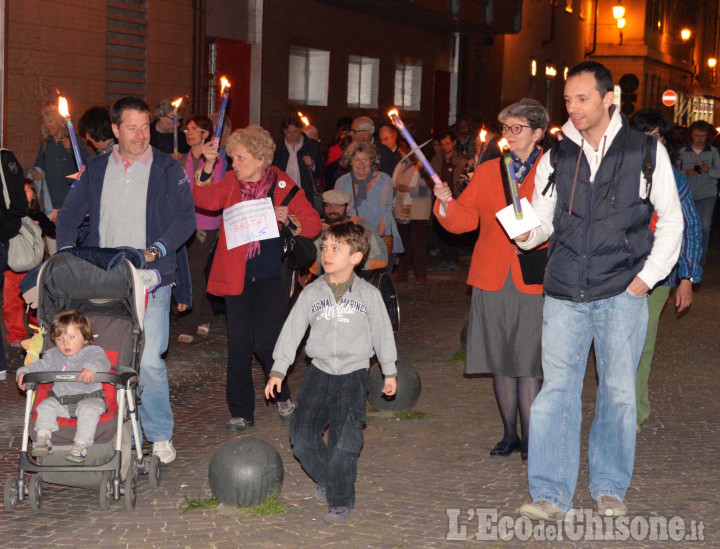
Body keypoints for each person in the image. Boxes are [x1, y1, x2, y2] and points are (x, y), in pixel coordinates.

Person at [516, 61, 683, 520]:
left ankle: (610, 485)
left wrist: (645, 280)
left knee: (618, 393)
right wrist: (524, 230)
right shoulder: (558, 155)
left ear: (610, 99)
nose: (573, 108)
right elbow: (542, 222)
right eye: (567, 100)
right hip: (565, 291)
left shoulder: (645, 152)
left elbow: (672, 220)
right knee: (557, 393)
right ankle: (551, 494)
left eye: (582, 98)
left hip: (620, 291)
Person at [57, 96, 196, 465]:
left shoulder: (168, 168)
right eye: (131, 127)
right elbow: (69, 215)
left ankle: (159, 433)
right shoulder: (96, 168)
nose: (140, 135)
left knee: (149, 359)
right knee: (108, 357)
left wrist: (155, 250)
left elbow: (186, 220)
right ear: (115, 130)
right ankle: (112, 430)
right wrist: (70, 254)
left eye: (146, 127)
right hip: (105, 278)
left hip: (151, 277)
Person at [434, 99, 548, 463]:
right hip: (492, 275)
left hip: (534, 277)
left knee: (529, 360)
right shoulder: (489, 171)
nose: (510, 136)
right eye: (506, 129)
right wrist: (446, 203)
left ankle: (532, 438)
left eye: (518, 129)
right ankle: (509, 434)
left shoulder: (552, 170)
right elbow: (465, 220)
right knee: (501, 359)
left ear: (538, 134)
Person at [265, 221, 397, 524]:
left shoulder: (368, 295)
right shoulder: (312, 292)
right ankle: (329, 478)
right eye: (324, 247)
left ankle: (340, 500)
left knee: (345, 441)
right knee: (301, 437)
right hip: (318, 373)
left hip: (353, 375)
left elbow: (383, 334)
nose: (327, 253)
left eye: (336, 248)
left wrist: (389, 371)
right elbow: (292, 331)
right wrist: (278, 369)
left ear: (356, 257)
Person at [191, 125, 322, 432]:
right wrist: (207, 166)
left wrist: (288, 217)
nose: (234, 164)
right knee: (238, 344)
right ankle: (241, 412)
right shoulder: (231, 184)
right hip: (237, 275)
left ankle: (282, 395)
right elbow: (204, 200)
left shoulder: (284, 184)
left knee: (267, 342)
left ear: (261, 158)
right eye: (231, 157)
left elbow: (314, 223)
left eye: (240, 158)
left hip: (271, 276)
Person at [629, 109, 703, 429]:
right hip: (616, 272)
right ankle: (618, 405)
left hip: (657, 275)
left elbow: (689, 228)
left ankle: (635, 409)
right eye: (645, 135)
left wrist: (686, 277)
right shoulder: (616, 172)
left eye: (657, 136)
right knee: (615, 345)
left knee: (642, 343)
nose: (650, 142)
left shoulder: (674, 180)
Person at [16, 310, 111, 463]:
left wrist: (91, 368)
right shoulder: (53, 356)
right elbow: (39, 366)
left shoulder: (93, 352)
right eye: (60, 339)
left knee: (89, 411)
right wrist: (24, 372)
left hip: (89, 399)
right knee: (45, 406)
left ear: (85, 338)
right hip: (61, 402)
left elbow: (104, 363)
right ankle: (43, 439)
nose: (65, 343)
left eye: (72, 337)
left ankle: (80, 446)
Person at [177, 114, 224, 343]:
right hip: (185, 221)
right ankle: (205, 315)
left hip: (206, 223)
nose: (189, 133)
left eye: (194, 129)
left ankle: (190, 324)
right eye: (187, 129)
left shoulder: (216, 161)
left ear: (206, 134)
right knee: (193, 272)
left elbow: (214, 193)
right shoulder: (183, 158)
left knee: (194, 271)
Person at [3, 179, 55, 347]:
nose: (25, 193)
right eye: (21, 189)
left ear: (34, 194)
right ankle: (16, 335)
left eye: (29, 190)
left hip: (33, 266)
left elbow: (53, 232)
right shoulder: (8, 214)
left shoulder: (37, 215)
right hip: (12, 265)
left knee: (35, 302)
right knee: (12, 303)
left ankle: (37, 332)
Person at [334, 142, 404, 264]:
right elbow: (338, 215)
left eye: (365, 159)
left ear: (372, 161)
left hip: (381, 238)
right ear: (350, 161)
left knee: (379, 279)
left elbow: (384, 214)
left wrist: (376, 244)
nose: (361, 164)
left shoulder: (384, 180)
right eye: (356, 159)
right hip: (352, 242)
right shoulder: (342, 182)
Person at [0, 148, 29, 380]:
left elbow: (19, 203)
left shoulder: (5, 158)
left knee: (13, 295)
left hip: (2, 239)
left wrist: (6, 231)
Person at [34, 102, 90, 221]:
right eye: (44, 122)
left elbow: (86, 167)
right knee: (53, 238)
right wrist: (37, 173)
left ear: (60, 121)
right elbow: (39, 167)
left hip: (71, 202)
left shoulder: (74, 141)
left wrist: (73, 149)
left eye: (50, 121)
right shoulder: (45, 145)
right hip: (51, 204)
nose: (47, 125)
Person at [311, 189, 388, 274]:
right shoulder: (317, 227)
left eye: (337, 206)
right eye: (328, 205)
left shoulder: (360, 225)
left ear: (347, 208)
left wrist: (349, 264)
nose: (332, 210)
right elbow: (314, 265)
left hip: (358, 275)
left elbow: (382, 258)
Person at [677, 120, 720, 264]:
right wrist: (686, 172)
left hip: (707, 193)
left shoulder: (713, 152)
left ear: (707, 135)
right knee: (686, 226)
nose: (699, 139)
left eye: (702, 135)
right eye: (697, 135)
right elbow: (675, 173)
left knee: (704, 225)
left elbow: (718, 172)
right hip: (687, 194)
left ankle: (700, 257)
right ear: (691, 136)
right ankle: (687, 255)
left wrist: (709, 170)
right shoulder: (683, 152)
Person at [392, 139, 432, 284]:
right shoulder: (401, 165)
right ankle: (402, 273)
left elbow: (430, 188)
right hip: (402, 208)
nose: (401, 153)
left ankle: (420, 274)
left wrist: (408, 189)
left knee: (417, 242)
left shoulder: (423, 166)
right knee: (403, 242)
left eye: (403, 150)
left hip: (418, 210)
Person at [431, 132, 469, 271]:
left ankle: (453, 258)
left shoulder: (462, 160)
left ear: (453, 143)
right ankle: (444, 257)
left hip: (456, 198)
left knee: (453, 229)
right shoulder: (437, 159)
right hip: (440, 198)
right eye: (442, 144)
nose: (445, 147)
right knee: (440, 228)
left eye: (448, 143)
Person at [272, 114, 325, 209]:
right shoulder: (277, 146)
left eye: (295, 132)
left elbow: (321, 171)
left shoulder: (311, 146)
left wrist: (313, 164)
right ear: (283, 131)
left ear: (300, 129)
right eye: (288, 132)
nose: (292, 135)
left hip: (305, 194)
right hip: (283, 194)